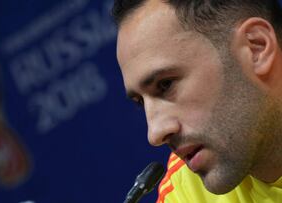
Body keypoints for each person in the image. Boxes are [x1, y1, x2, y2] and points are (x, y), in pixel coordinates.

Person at [112, 0, 282, 202]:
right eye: (141, 102)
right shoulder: (186, 191)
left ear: (256, 48)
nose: (155, 134)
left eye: (166, 85)